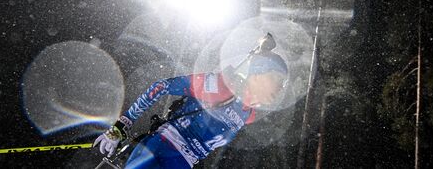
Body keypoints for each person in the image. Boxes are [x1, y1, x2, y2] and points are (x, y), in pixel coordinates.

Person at [93, 33, 288, 169]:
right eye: (276, 79)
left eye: (283, 84)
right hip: (158, 151)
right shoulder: (221, 86)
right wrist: (120, 126)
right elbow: (161, 87)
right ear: (256, 75)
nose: (280, 88)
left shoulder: (249, 115)